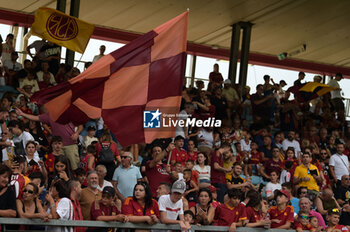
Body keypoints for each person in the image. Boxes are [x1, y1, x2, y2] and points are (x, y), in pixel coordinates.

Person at [15, 107, 83, 171]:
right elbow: (36, 118)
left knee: (74, 167)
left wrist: (77, 133)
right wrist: (22, 114)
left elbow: (80, 125)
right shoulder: (50, 115)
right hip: (56, 146)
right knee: (57, 168)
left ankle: (74, 183)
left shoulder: (69, 113)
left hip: (70, 144)